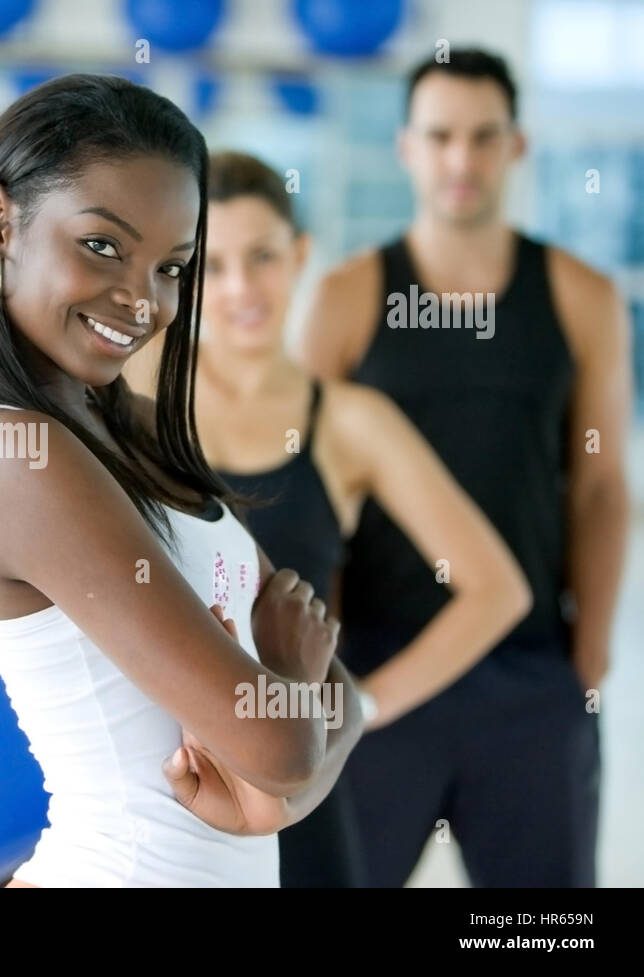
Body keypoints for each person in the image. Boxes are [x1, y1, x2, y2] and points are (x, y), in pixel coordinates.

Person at [0, 74, 366, 888]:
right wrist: (290, 706)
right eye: (103, 245)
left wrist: (278, 796)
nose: (141, 299)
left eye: (172, 266)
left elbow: (344, 709)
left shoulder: (134, 421)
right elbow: (283, 735)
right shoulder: (12, 454)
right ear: (0, 219)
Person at [123, 151, 531, 886]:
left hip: (290, 790)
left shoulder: (349, 421)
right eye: (215, 267)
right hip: (152, 777)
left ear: (302, 256)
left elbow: (497, 588)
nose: (242, 287)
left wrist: (362, 706)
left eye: (264, 258)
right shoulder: (137, 390)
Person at [298, 49, 631, 887]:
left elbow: (600, 484)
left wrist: (585, 657)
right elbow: (306, 490)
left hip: (527, 673)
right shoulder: (347, 295)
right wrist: (322, 668)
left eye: (484, 137)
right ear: (406, 146)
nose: (461, 159)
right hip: (378, 672)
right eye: (441, 136)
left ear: (517, 146)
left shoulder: (580, 295)